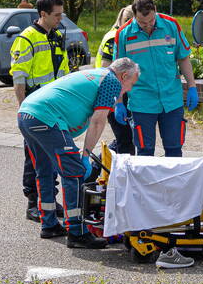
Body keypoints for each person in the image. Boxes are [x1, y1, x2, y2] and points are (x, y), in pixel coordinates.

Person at [18, 58, 141, 248]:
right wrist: (85, 156)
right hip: (46, 117)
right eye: (131, 84)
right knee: (74, 173)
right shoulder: (111, 82)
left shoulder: (96, 75)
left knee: (45, 171)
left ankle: (49, 224)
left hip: (27, 114)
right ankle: (77, 232)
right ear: (124, 76)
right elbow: (98, 121)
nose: (129, 90)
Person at [10, 0, 70, 222]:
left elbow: (63, 71)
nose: (60, 19)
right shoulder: (26, 39)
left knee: (52, 155)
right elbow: (19, 78)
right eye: (56, 15)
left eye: (61, 14)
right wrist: (23, 108)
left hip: (54, 105)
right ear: (43, 14)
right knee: (34, 157)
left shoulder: (56, 36)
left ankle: (49, 200)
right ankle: (33, 203)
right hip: (35, 107)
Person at [114, 0, 198, 156]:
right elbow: (118, 72)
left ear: (155, 11)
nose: (148, 26)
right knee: (145, 151)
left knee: (174, 149)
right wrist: (118, 102)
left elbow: (183, 58)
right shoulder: (123, 34)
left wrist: (192, 86)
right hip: (141, 102)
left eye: (151, 21)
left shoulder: (171, 25)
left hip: (171, 100)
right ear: (134, 15)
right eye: (142, 22)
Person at [95, 5, 135, 155]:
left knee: (125, 139)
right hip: (112, 93)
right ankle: (97, 166)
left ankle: (97, 165)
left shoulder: (125, 35)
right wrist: (117, 102)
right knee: (126, 141)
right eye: (127, 20)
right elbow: (108, 71)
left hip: (122, 93)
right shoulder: (114, 37)